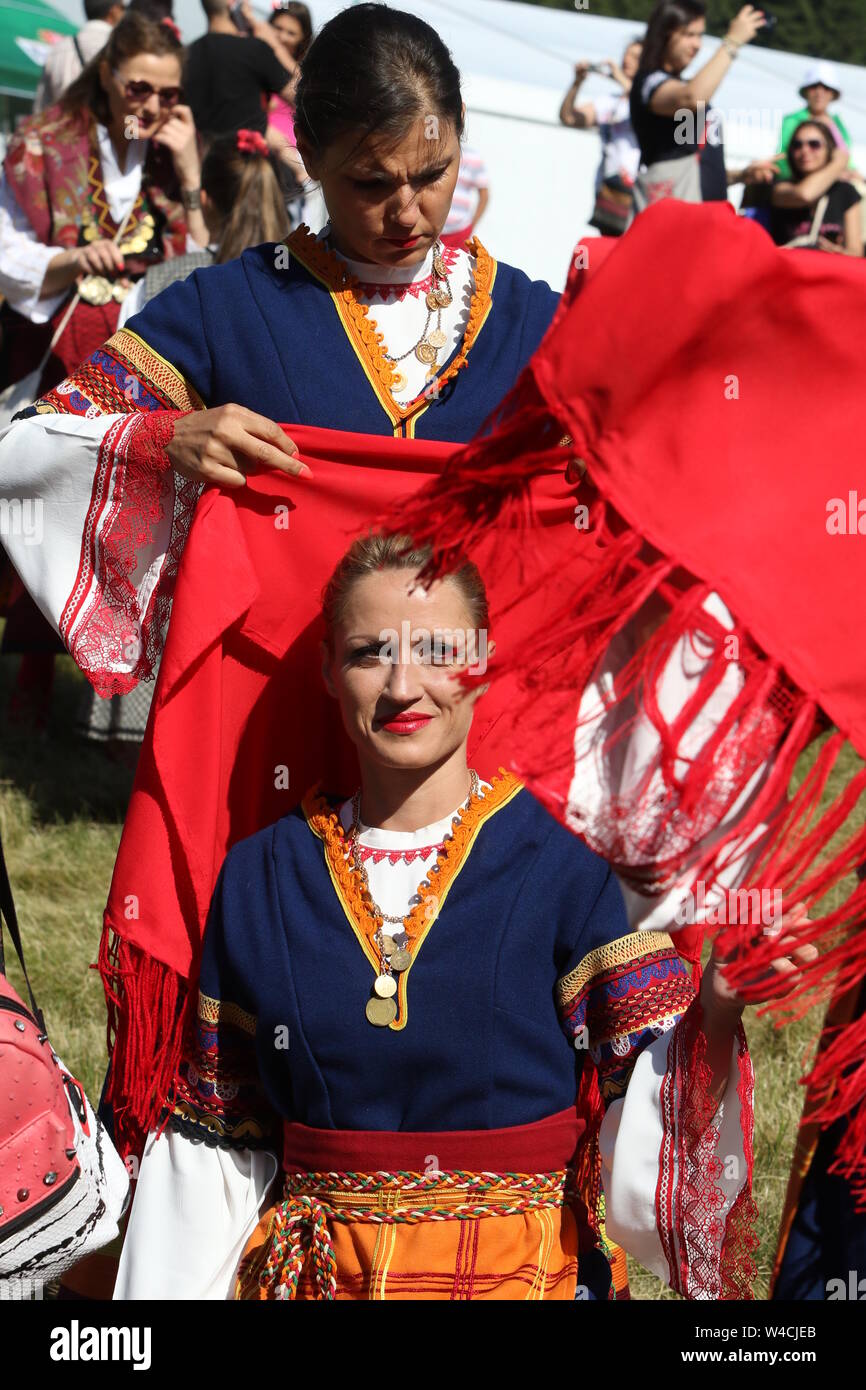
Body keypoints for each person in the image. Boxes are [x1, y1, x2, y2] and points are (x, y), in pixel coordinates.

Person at [112, 531, 809, 1301]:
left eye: (439, 651)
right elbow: (218, 1143)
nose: (405, 687)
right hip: (316, 1284)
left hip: (520, 1280)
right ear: (327, 672)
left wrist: (716, 1005)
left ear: (483, 666)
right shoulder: (259, 877)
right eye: (371, 652)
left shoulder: (570, 866)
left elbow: (648, 1099)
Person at [0, 10, 208, 728]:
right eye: (139, 89)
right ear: (110, 79)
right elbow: (7, 249)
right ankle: (28, 681)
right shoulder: (42, 147)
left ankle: (112, 706)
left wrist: (188, 175)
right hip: (55, 351)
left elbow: (208, 266)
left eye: (169, 95)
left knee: (119, 523)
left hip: (140, 370)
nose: (151, 107)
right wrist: (67, 259)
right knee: (38, 507)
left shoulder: (172, 161)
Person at [76, 126, 292, 757]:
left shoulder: (176, 280)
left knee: (172, 617)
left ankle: (139, 744)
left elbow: (118, 384)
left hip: (180, 489)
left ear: (209, 201)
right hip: (270, 512)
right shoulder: (305, 293)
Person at [629, 1, 766, 212]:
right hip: (675, 223)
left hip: (706, 218)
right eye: (689, 34)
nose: (697, 45)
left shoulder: (680, 84)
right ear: (664, 34)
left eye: (700, 35)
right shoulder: (649, 82)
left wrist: (739, 175)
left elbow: (690, 166)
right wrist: (732, 42)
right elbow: (690, 98)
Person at [558, 40, 642, 236]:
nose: (626, 60)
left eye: (635, 57)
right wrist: (577, 82)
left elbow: (642, 106)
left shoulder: (653, 102)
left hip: (640, 193)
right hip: (610, 192)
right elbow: (568, 117)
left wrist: (619, 77)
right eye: (626, 55)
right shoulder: (609, 101)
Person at [183, 0, 295, 141]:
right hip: (247, 158)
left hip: (202, 156)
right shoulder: (255, 50)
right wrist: (275, 44)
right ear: (233, 5)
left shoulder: (186, 54)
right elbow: (299, 97)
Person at [768, 124, 861, 255]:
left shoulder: (846, 192)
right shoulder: (780, 187)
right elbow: (805, 195)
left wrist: (840, 253)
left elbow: (856, 251)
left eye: (814, 144)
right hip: (790, 271)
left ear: (829, 149)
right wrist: (838, 163)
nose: (805, 150)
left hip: (829, 271)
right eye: (797, 145)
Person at [33, 0, 126, 114]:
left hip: (66, 128)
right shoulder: (123, 49)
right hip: (108, 128)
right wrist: (131, 132)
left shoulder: (58, 50)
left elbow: (41, 110)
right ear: (114, 10)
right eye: (124, 7)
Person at [776, 61, 853, 181]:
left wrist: (852, 173)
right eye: (814, 87)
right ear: (806, 91)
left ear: (833, 94)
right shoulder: (792, 120)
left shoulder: (838, 124)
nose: (819, 93)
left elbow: (847, 157)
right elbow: (783, 157)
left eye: (826, 88)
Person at [440, 144, 489, 248]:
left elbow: (484, 194)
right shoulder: (435, 153)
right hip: (433, 230)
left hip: (459, 231)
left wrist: (472, 225)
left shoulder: (472, 157)